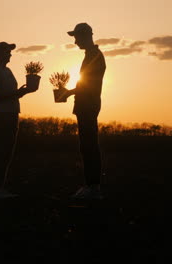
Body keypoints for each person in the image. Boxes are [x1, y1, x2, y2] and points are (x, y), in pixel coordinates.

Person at [0, 42, 36, 200]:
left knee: (7, 152)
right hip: (2, 115)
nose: (10, 54)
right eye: (7, 52)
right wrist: (17, 93)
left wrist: (23, 92)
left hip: (12, 113)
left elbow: (11, 94)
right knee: (1, 151)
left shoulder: (7, 71)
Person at [64, 23, 106, 200]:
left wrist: (70, 92)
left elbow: (89, 84)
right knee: (87, 146)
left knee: (89, 146)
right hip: (85, 105)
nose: (75, 42)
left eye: (76, 37)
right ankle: (91, 185)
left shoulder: (94, 56)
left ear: (85, 36)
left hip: (88, 105)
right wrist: (71, 92)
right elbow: (85, 83)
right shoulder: (91, 55)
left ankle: (93, 187)